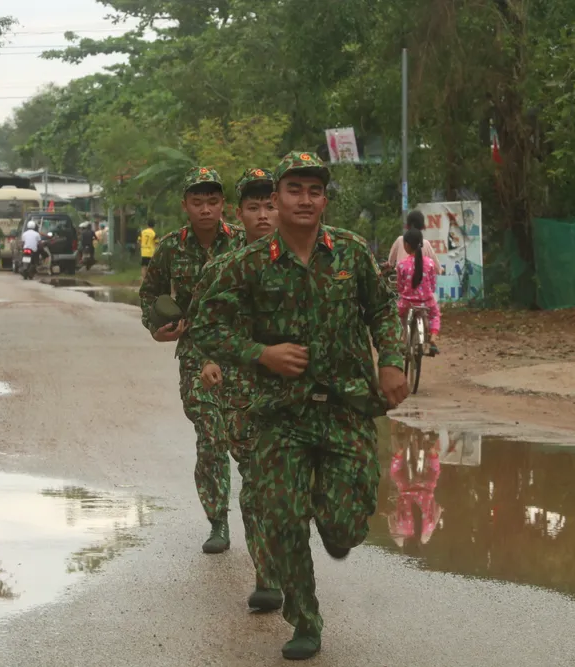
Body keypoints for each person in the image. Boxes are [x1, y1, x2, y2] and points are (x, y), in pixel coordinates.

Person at [190, 151, 407, 660]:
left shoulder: (351, 253)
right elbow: (205, 327)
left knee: (346, 524)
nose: (305, 200)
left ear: (324, 199)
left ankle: (335, 526)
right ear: (277, 200)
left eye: (314, 191)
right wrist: (260, 353)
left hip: (345, 408)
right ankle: (304, 618)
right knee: (283, 520)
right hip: (279, 413)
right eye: (294, 191)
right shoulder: (246, 264)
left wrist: (392, 360)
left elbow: (382, 310)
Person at [187, 167, 282, 611]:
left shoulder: (327, 256)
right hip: (244, 390)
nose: (264, 215)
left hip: (304, 394)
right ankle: (268, 574)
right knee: (258, 479)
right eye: (255, 206)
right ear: (239, 213)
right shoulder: (228, 265)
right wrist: (208, 359)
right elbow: (207, 323)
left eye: (271, 205)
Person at [138, 166, 246, 554]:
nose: (205, 209)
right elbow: (149, 294)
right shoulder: (169, 247)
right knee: (212, 434)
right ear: (185, 205)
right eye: (197, 202)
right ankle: (218, 520)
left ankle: (261, 517)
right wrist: (156, 326)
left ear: (224, 205)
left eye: (213, 201)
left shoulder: (242, 242)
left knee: (245, 437)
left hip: (241, 354)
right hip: (193, 354)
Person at [396, 228, 441, 355]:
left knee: (398, 316)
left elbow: (400, 286)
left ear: (406, 245)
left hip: (407, 303)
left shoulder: (402, 264)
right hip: (426, 302)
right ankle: (432, 338)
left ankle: (403, 338)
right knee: (434, 315)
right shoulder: (430, 263)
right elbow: (432, 286)